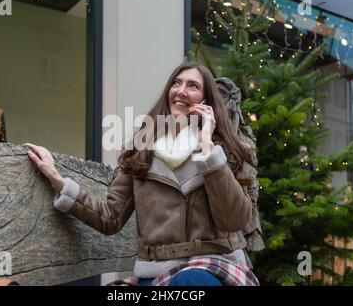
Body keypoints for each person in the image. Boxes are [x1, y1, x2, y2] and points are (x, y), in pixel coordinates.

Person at [24, 61, 259, 286]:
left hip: (212, 269)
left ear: (207, 100)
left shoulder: (225, 150)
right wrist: (57, 179)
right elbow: (110, 217)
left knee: (191, 281)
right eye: (176, 84)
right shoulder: (141, 149)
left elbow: (233, 220)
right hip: (157, 273)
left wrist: (208, 149)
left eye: (193, 86)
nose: (181, 91)